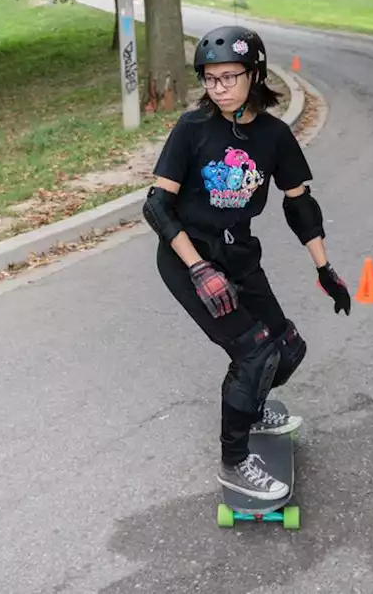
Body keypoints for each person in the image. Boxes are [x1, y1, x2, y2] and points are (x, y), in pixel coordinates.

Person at [142, 25, 352, 501]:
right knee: (255, 352)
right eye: (210, 79)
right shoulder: (192, 129)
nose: (218, 88)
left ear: (255, 74)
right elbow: (156, 206)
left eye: (229, 77)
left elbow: (299, 203)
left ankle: (251, 406)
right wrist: (199, 269)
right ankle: (235, 462)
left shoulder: (275, 136)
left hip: (239, 254)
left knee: (288, 348)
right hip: (187, 256)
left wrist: (325, 269)